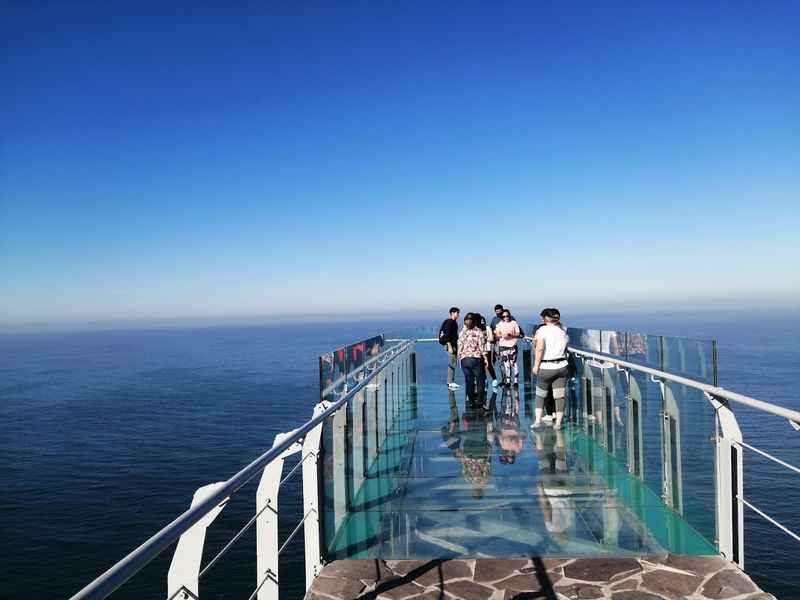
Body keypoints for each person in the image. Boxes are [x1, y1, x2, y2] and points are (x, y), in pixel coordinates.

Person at [532, 308, 570, 428]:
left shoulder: (542, 330)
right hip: (562, 366)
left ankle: (538, 421)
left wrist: (536, 366)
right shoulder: (562, 331)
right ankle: (558, 423)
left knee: (540, 394)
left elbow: (539, 348)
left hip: (546, 366)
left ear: (546, 318)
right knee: (559, 396)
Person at [457, 313, 488, 403]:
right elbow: (482, 347)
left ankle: (470, 400)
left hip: (464, 359)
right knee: (480, 380)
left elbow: (460, 346)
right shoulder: (479, 332)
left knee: (469, 381)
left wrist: (460, 357)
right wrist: (486, 359)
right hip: (476, 359)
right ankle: (480, 401)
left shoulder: (462, 333)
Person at [494, 308, 522, 386]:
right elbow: (497, 335)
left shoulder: (514, 323)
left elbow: (518, 333)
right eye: (504, 316)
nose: (506, 317)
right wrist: (502, 335)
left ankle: (516, 381)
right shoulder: (499, 324)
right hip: (503, 345)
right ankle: (508, 381)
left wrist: (511, 335)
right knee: (506, 363)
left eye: (507, 316)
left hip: (512, 345)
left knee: (513, 363)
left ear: (509, 315)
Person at [475, 313, 499, 388]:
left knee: (489, 364)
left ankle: (494, 379)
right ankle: (484, 380)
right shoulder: (476, 329)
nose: (482, 322)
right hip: (479, 350)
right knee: (480, 365)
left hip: (487, 348)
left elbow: (491, 338)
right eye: (481, 321)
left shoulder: (487, 328)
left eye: (483, 321)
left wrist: (485, 339)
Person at [439, 307, 460, 389]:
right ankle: (450, 381)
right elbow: (447, 335)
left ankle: (451, 381)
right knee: (452, 362)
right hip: (451, 345)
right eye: (457, 313)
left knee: (453, 362)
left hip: (453, 345)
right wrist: (450, 346)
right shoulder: (450, 322)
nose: (458, 314)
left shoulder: (453, 322)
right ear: (452, 313)